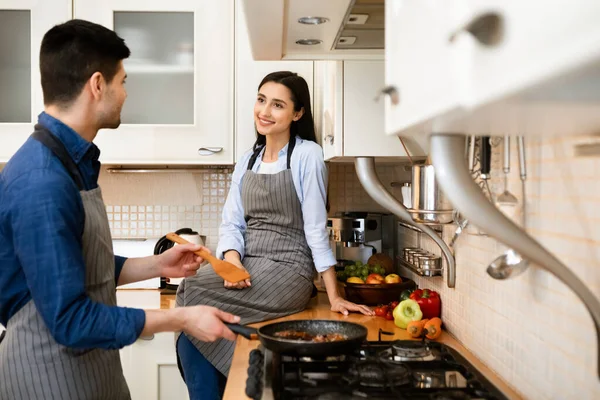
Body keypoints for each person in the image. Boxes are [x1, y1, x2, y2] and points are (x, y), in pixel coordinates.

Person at [0, 19, 239, 400]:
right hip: (48, 377)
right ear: (97, 85)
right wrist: (181, 319)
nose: (126, 93)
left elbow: (82, 264)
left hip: (88, 370)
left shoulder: (70, 162)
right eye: (123, 81)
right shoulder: (41, 181)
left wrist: (157, 265)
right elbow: (69, 319)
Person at [176, 71, 374, 399]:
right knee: (190, 293)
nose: (264, 111)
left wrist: (334, 295)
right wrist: (232, 262)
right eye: (261, 99)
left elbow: (315, 229)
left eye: (278, 104)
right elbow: (231, 223)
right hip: (249, 263)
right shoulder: (247, 160)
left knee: (192, 302)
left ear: (297, 114)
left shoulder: (307, 155)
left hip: (289, 268)